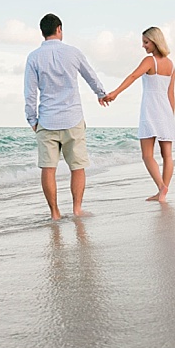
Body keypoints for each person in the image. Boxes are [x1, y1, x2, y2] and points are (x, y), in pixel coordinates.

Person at [25, 13, 108, 220]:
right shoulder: (73, 53)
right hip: (72, 118)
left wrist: (32, 119)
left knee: (48, 168)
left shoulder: (34, 57)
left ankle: (54, 213)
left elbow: (30, 92)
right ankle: (77, 209)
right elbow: (90, 75)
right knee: (77, 167)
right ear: (59, 29)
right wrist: (101, 94)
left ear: (42, 32)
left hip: (47, 120)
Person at [102, 26, 175, 202]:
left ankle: (161, 188)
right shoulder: (171, 65)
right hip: (166, 112)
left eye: (146, 42)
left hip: (150, 111)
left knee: (147, 155)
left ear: (155, 41)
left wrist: (115, 93)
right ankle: (163, 192)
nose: (143, 46)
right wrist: (171, 117)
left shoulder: (150, 61)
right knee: (167, 155)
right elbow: (171, 94)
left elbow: (132, 77)